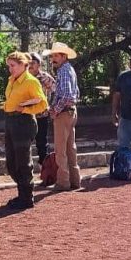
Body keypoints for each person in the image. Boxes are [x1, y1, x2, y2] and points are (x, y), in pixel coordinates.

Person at [3, 51, 48, 210]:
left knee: (23, 161)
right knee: (11, 162)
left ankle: (26, 197)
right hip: (10, 120)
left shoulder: (31, 81)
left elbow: (43, 104)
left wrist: (25, 110)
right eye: (9, 66)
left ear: (23, 65)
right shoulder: (12, 80)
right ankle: (22, 193)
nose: (10, 69)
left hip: (24, 122)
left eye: (13, 65)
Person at [42, 41, 81, 190]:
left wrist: (55, 110)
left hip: (64, 113)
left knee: (60, 150)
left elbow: (66, 95)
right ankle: (74, 180)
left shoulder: (63, 71)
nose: (53, 58)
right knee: (71, 148)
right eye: (53, 55)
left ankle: (63, 182)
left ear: (64, 56)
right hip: (71, 111)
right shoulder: (69, 69)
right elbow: (74, 93)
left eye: (56, 55)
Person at [29, 51, 55, 164]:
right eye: (28, 62)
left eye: (33, 62)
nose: (30, 65)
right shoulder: (23, 77)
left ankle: (45, 168)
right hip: (27, 115)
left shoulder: (44, 77)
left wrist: (52, 106)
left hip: (41, 115)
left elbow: (57, 90)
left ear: (39, 64)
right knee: (25, 142)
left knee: (41, 143)